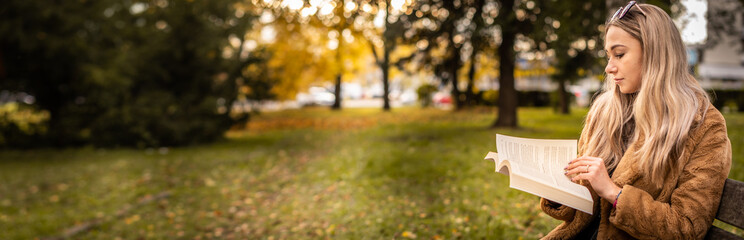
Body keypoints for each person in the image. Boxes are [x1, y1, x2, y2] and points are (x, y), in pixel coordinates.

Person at [540, 1, 732, 239]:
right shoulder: (605, 111)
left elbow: (688, 227)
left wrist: (614, 193)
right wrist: (558, 189)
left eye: (619, 54)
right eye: (608, 56)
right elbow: (583, 213)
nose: (609, 67)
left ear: (655, 54)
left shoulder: (702, 125)